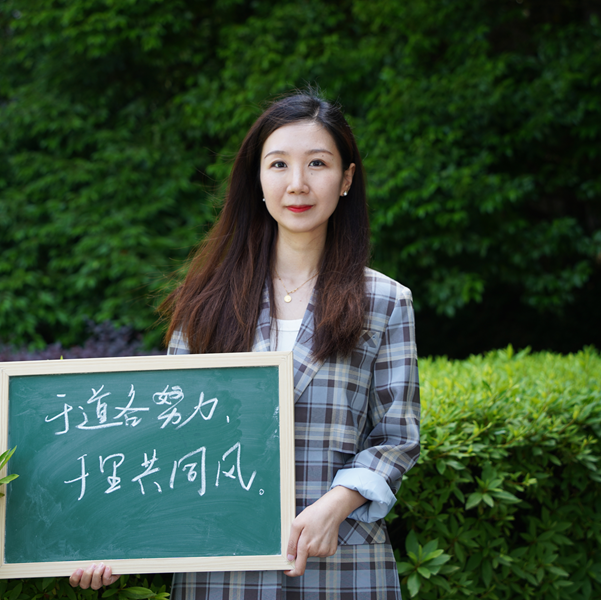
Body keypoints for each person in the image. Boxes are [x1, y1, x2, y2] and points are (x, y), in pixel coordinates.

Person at [69, 91, 420, 599]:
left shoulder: (385, 302)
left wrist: (338, 503)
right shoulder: (206, 299)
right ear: (256, 178)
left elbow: (396, 438)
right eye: (278, 164)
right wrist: (120, 539)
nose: (297, 183)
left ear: (346, 178)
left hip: (340, 565)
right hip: (220, 570)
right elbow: (169, 439)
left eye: (317, 163)